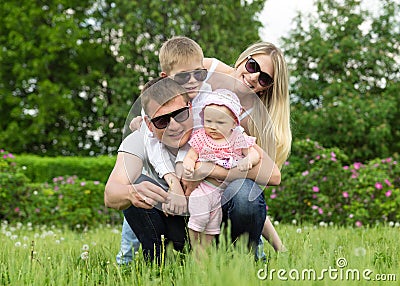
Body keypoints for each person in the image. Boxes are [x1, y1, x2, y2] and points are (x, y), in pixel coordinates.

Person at [105, 76, 280, 262]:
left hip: (223, 225)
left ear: (190, 108)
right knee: (137, 185)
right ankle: (157, 263)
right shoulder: (140, 140)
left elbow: (274, 175)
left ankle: (243, 259)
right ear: (149, 124)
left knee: (245, 191)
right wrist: (131, 192)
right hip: (178, 228)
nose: (174, 126)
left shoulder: (211, 128)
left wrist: (207, 170)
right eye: (162, 121)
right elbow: (111, 193)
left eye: (180, 114)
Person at [202, 42, 291, 252]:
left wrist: (211, 170)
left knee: (242, 190)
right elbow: (163, 94)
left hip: (216, 201)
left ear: (266, 88)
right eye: (253, 66)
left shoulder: (250, 120)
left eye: (264, 79)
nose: (253, 77)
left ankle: (243, 254)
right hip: (181, 189)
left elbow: (258, 185)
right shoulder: (206, 69)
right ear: (244, 59)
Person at [182, 89, 260, 254]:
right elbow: (191, 156)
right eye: (208, 121)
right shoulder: (201, 137)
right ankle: (195, 250)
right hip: (203, 189)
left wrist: (248, 160)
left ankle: (205, 254)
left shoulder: (237, 138)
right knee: (199, 219)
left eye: (220, 123)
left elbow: (254, 154)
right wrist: (188, 165)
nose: (212, 127)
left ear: (234, 123)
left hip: (223, 193)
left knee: (212, 226)